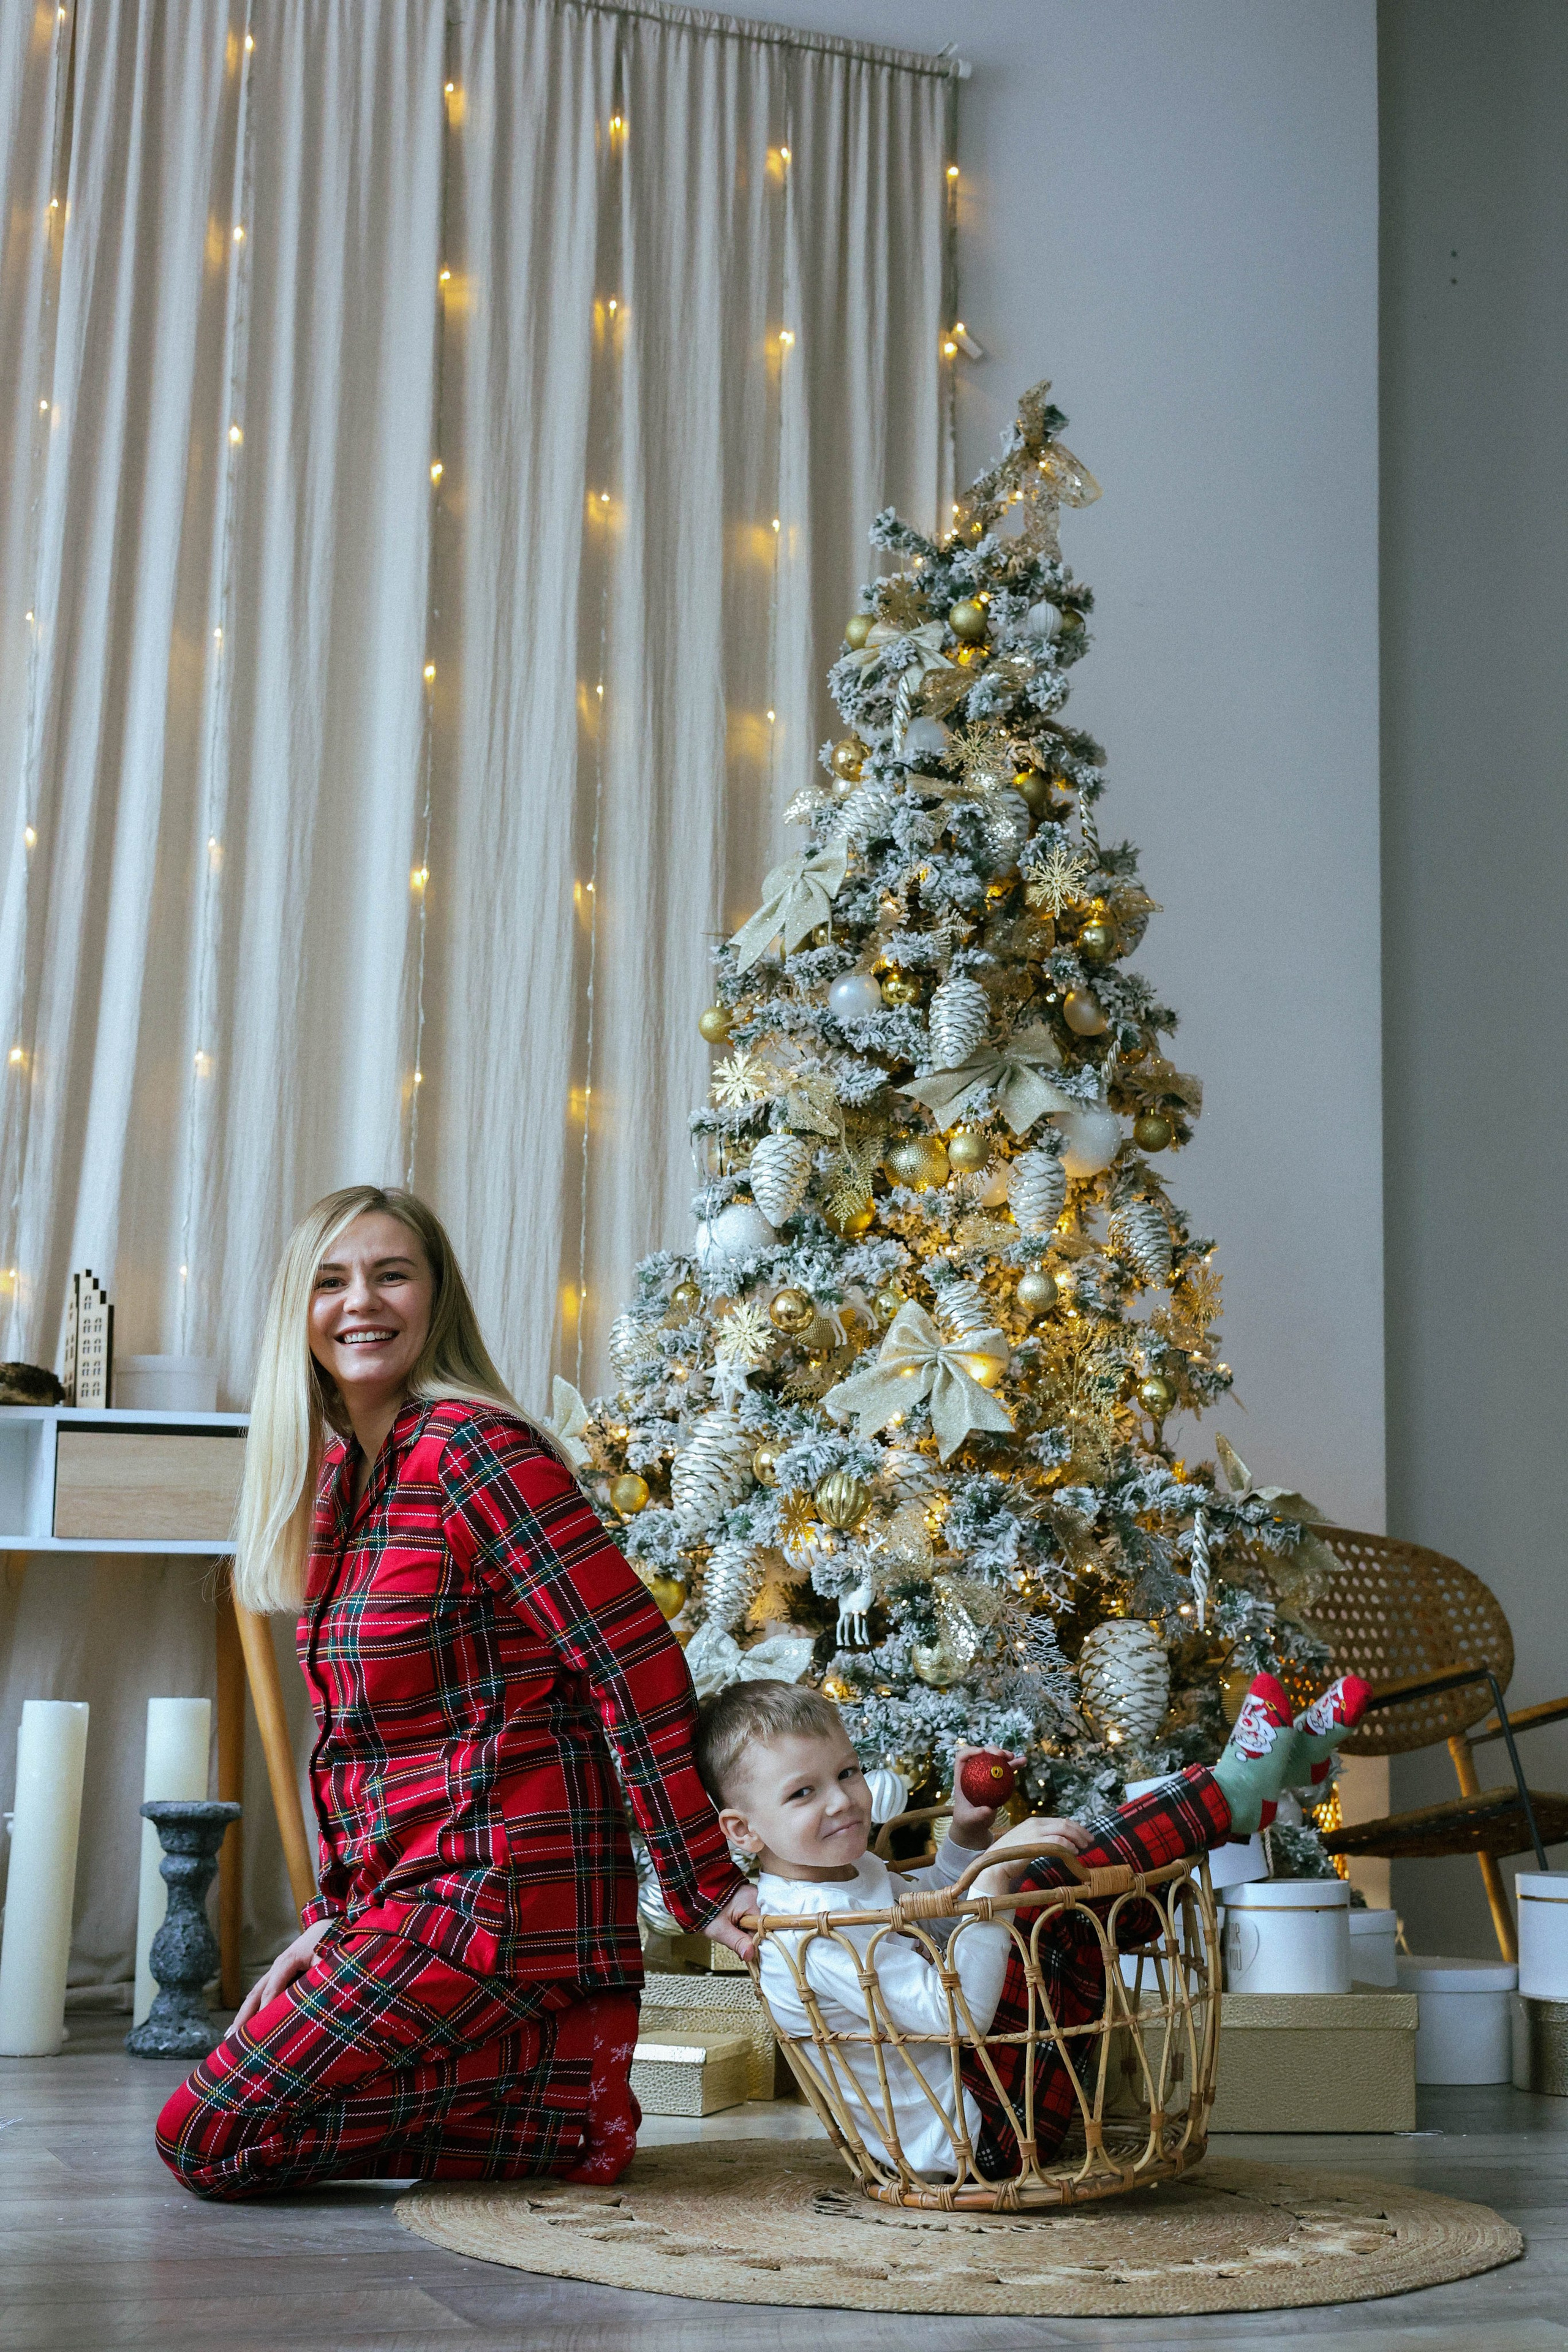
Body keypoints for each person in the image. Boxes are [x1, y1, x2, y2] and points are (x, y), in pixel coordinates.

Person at [157, 1184, 754, 2199]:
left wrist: (704, 1882)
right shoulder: (349, 1476)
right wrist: (332, 1920)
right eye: (332, 1280)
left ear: (437, 1300)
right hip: (418, 1898)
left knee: (209, 2137)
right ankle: (558, 2092)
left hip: (505, 1898)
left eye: (393, 1274)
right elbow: (367, 1751)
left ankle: (565, 2102)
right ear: (298, 1313)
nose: (363, 1302)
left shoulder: (478, 1453)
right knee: (220, 2123)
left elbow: (635, 1659)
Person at [698, 1670, 1369, 2182]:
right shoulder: (807, 1933)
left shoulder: (844, 1876)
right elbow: (953, 2016)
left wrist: (967, 1833)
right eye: (803, 1792)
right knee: (1038, 1887)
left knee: (1049, 1890)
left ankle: (1244, 1791)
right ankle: (1234, 1794)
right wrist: (995, 1877)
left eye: (846, 1772)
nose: (843, 1800)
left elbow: (932, 1909)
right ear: (743, 1831)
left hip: (986, 2084)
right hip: (976, 2136)